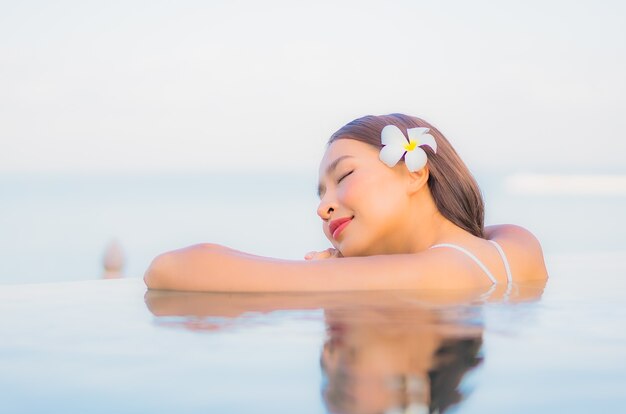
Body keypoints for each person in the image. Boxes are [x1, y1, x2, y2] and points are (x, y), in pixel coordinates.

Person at [144, 113, 547, 292]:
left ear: (415, 172)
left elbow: (172, 270)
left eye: (345, 176)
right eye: (321, 193)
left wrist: (351, 271)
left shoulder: (430, 275)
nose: (323, 208)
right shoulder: (517, 244)